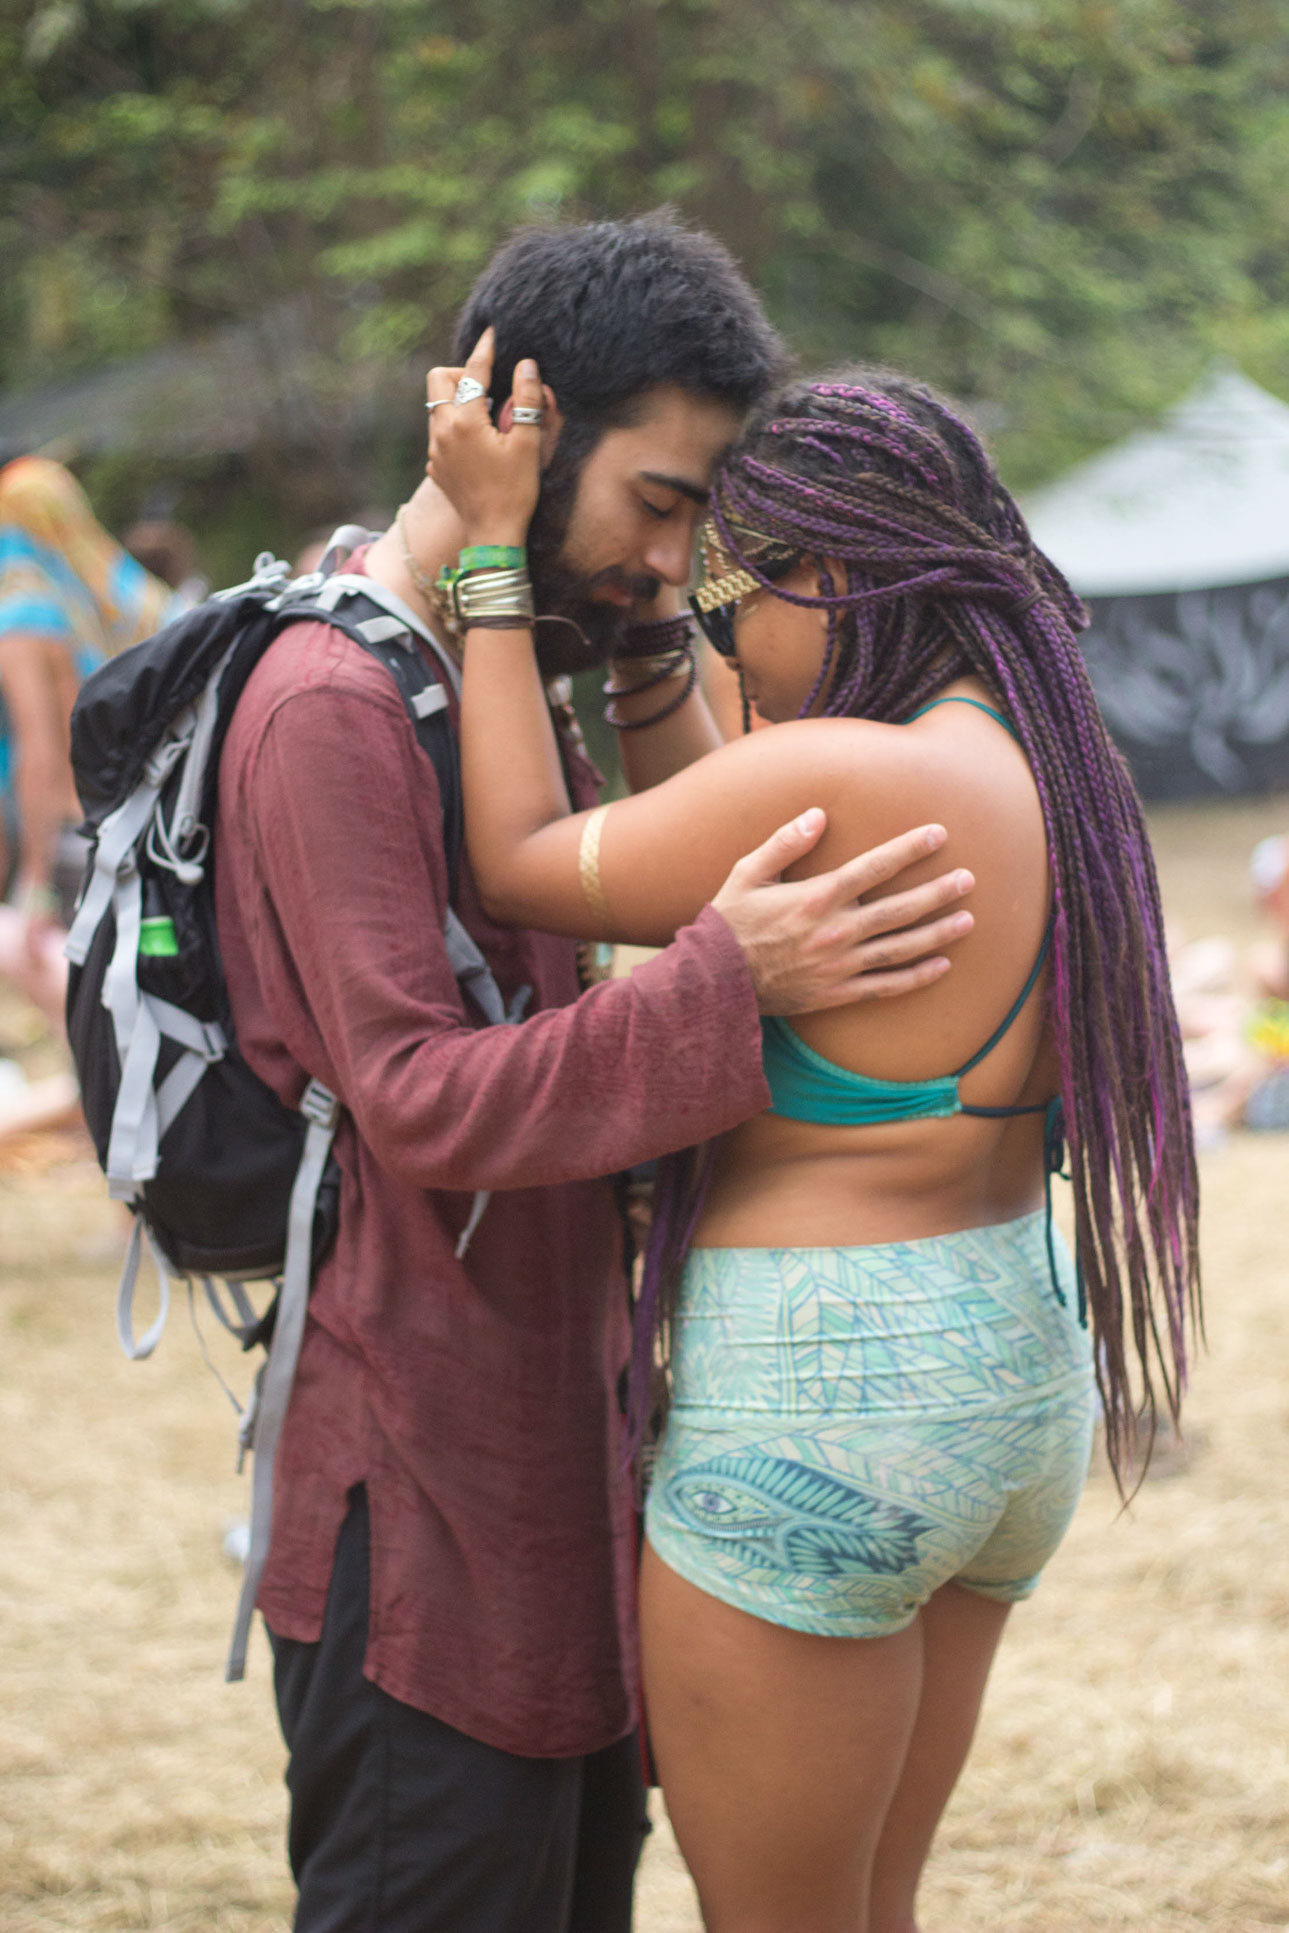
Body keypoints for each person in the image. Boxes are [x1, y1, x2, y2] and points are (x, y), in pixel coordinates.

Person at [214, 215, 977, 1933]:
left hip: (561, 1481)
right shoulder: (330, 701)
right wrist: (729, 985)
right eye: (660, 505)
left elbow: (695, 870)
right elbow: (419, 1094)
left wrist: (639, 634)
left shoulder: (508, 666)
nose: (683, 557)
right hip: (420, 1517)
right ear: (518, 430)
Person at [428, 339, 1201, 1933]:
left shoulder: (849, 770)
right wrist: (664, 656)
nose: (721, 633)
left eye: (729, 596)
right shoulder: (1040, 758)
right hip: (1001, 1380)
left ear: (831, 570)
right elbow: (729, 821)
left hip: (820, 1411)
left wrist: (494, 562)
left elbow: (518, 857)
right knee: (869, 1909)